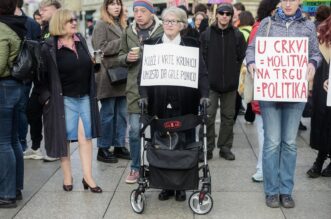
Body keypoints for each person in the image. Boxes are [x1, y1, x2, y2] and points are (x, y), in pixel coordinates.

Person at [246, 0, 321, 208]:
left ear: (300, 2)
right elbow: (251, 49)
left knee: (289, 142)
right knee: (272, 142)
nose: (288, 4)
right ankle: (271, 191)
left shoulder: (307, 26)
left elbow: (315, 53)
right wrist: (252, 63)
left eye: (292, 0)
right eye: (284, 0)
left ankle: (286, 191)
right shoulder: (267, 23)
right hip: (270, 94)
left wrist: (313, 64)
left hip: (295, 93)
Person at [138, 6, 209, 203]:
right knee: (160, 145)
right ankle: (165, 185)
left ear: (181, 25)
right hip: (159, 103)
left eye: (173, 21)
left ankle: (181, 186)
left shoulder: (192, 45)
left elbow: (202, 73)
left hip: (185, 103)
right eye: (166, 20)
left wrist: (204, 95)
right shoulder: (152, 44)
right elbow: (142, 75)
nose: (169, 24)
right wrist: (143, 95)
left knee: (184, 144)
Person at [38, 9, 102, 193]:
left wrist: (94, 65)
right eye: (69, 21)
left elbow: (86, 65)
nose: (74, 23)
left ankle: (88, 177)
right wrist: (47, 99)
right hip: (62, 99)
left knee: (85, 138)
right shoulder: (48, 47)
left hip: (83, 97)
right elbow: (40, 78)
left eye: (74, 20)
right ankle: (68, 176)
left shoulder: (80, 40)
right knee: (63, 139)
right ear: (59, 24)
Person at [118, 0, 163, 184]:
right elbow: (120, 56)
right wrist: (127, 57)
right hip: (135, 89)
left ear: (151, 13)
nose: (138, 14)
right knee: (135, 130)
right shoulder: (129, 31)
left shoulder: (162, 30)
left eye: (142, 11)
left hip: (158, 89)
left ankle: (159, 166)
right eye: (136, 11)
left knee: (160, 130)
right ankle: (135, 168)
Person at [200, 4, 246, 160]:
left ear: (232, 16)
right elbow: (202, 59)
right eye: (221, 13)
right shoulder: (206, 34)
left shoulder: (237, 35)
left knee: (228, 117)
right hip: (211, 85)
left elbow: (241, 58)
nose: (224, 16)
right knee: (208, 116)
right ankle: (208, 147)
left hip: (230, 85)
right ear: (217, 15)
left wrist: (235, 76)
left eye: (228, 13)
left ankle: (225, 147)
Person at [92, 0, 130, 163]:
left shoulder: (123, 24)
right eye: (112, 4)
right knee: (107, 114)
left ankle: (119, 145)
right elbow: (100, 48)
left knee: (121, 114)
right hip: (108, 75)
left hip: (122, 74)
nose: (116, 7)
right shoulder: (101, 24)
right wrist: (123, 40)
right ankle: (103, 148)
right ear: (106, 7)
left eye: (118, 4)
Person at [247, 0, 280, 183]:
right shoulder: (260, 28)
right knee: (265, 134)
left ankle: (268, 168)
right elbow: (251, 56)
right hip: (264, 91)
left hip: (281, 92)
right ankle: (262, 168)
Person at [24, 0, 61, 161]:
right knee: (32, 111)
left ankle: (54, 150)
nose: (41, 12)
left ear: (56, 10)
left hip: (52, 81)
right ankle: (36, 147)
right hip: (41, 80)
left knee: (51, 116)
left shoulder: (59, 28)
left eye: (45, 9)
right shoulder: (45, 28)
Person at [0, 0, 26, 208]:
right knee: (14, 139)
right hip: (16, 86)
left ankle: (6, 194)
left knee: (3, 143)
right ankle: (16, 188)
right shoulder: (18, 23)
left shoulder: (1, 27)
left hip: (4, 88)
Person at [15, 0, 41, 153]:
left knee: (21, 108)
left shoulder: (31, 23)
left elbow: (38, 48)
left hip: (24, 74)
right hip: (6, 73)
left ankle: (21, 143)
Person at [306, 16, 331, 178]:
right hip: (321, 87)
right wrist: (309, 85)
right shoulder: (321, 34)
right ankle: (320, 159)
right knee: (322, 123)